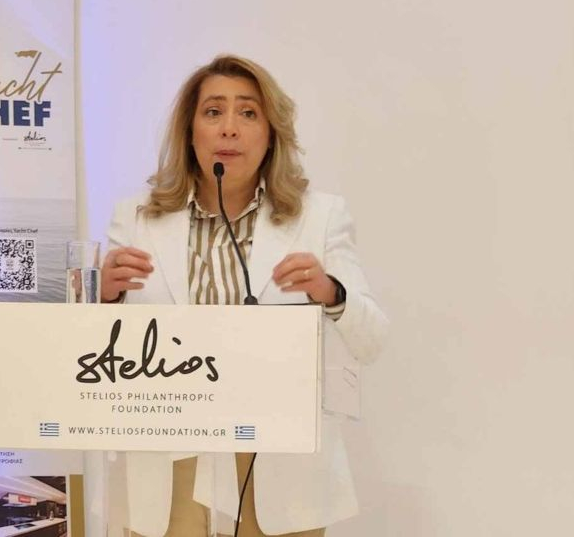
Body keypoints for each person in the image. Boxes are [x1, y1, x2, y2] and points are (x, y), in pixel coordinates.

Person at [101, 55, 388, 537]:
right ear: (189, 131)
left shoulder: (319, 218)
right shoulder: (136, 218)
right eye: (213, 111)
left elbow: (372, 339)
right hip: (169, 459)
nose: (229, 128)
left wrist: (330, 292)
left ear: (271, 133)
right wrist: (103, 296)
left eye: (248, 113)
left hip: (278, 468)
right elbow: (94, 351)